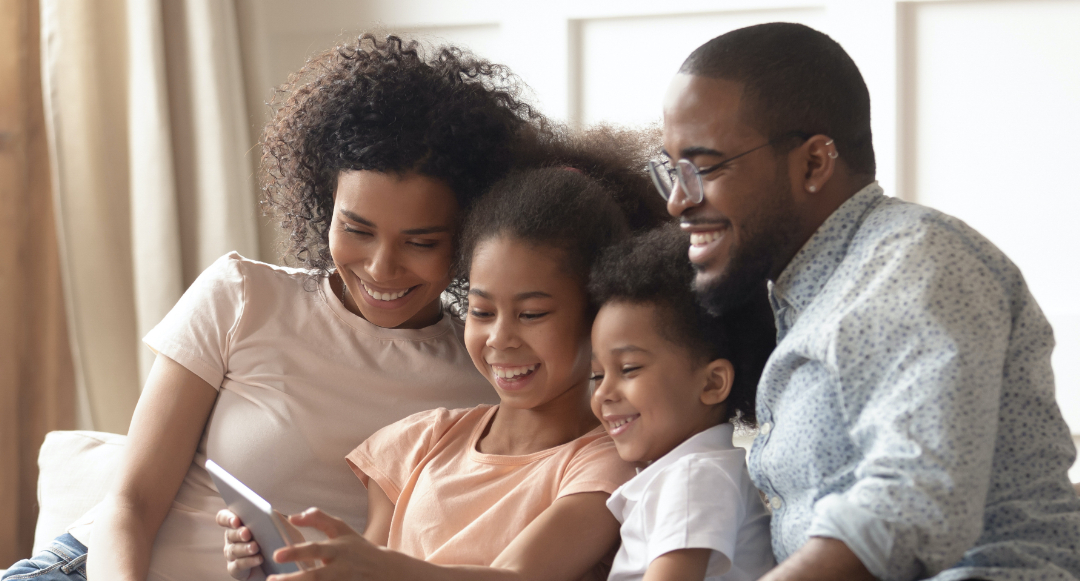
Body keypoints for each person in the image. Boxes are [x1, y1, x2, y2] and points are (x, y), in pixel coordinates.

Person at [3, 34, 542, 581]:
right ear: (322, 204)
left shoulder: (487, 381)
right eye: (356, 229)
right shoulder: (241, 296)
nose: (381, 268)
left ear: (470, 237)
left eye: (421, 242)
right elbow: (130, 505)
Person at [655, 21, 1080, 581]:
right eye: (670, 170)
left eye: (704, 168)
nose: (678, 201)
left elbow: (910, 503)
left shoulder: (918, 260)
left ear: (813, 163)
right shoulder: (805, 290)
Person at [223, 165, 669, 581]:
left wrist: (380, 568)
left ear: (598, 317)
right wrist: (294, 555)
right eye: (481, 310)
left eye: (532, 314)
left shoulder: (606, 465)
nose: (501, 338)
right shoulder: (421, 441)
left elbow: (519, 575)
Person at [588, 225, 776, 581]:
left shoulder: (695, 477)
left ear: (712, 383)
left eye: (628, 368)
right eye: (597, 375)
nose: (603, 393)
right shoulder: (686, 473)